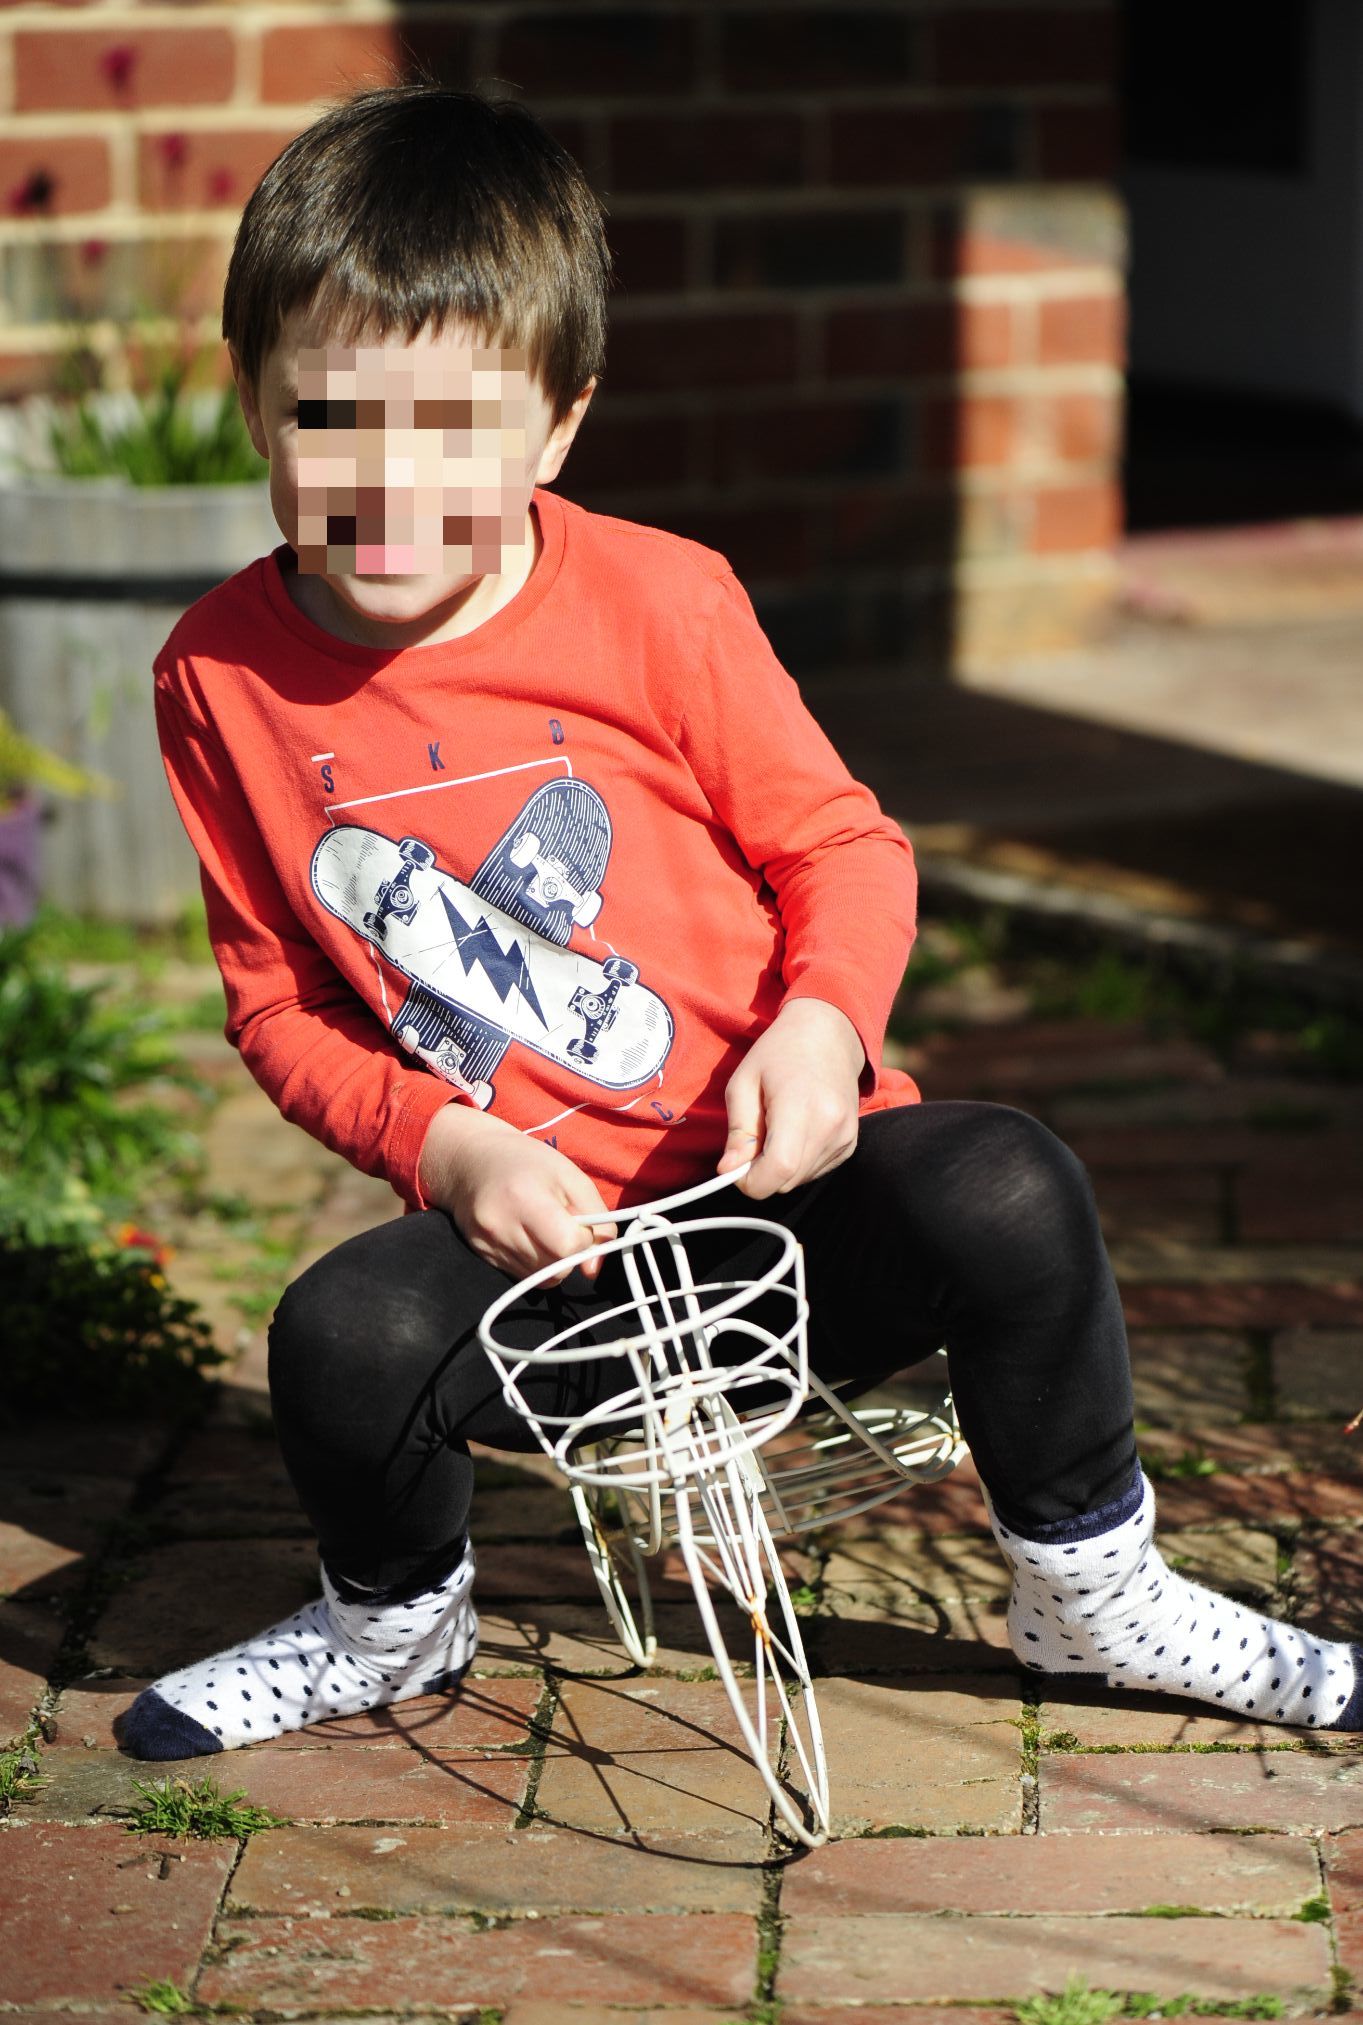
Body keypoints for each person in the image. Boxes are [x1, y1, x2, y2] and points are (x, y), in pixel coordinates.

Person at [119, 84, 1360, 1762]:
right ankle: (389, 1625)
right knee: (340, 1336)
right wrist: (448, 1155)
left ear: (558, 427)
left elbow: (844, 848)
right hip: (545, 1258)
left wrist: (826, 1025)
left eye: (457, 429)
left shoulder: (661, 601)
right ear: (255, 409)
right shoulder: (217, 674)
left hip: (775, 1203)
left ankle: (1090, 1589)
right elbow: (275, 1009)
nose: (390, 485)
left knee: (1009, 1188)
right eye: (334, 418)